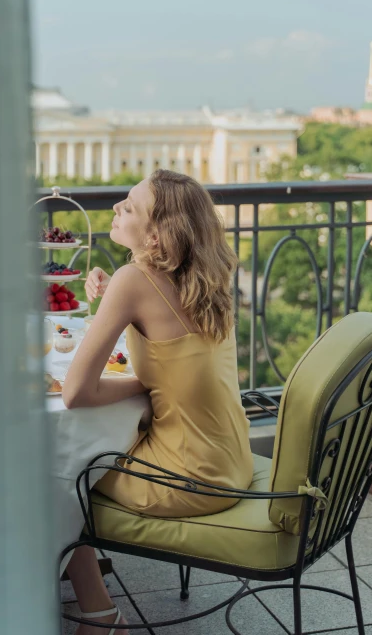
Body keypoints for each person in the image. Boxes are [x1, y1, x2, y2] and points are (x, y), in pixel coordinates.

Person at [62, 169, 253, 635]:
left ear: (155, 235)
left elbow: (75, 392)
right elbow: (176, 354)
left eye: (128, 206)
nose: (115, 209)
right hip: (232, 461)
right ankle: (72, 566)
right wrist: (113, 303)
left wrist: (144, 386)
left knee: (51, 468)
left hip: (186, 477)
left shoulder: (134, 279)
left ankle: (99, 612)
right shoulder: (209, 279)